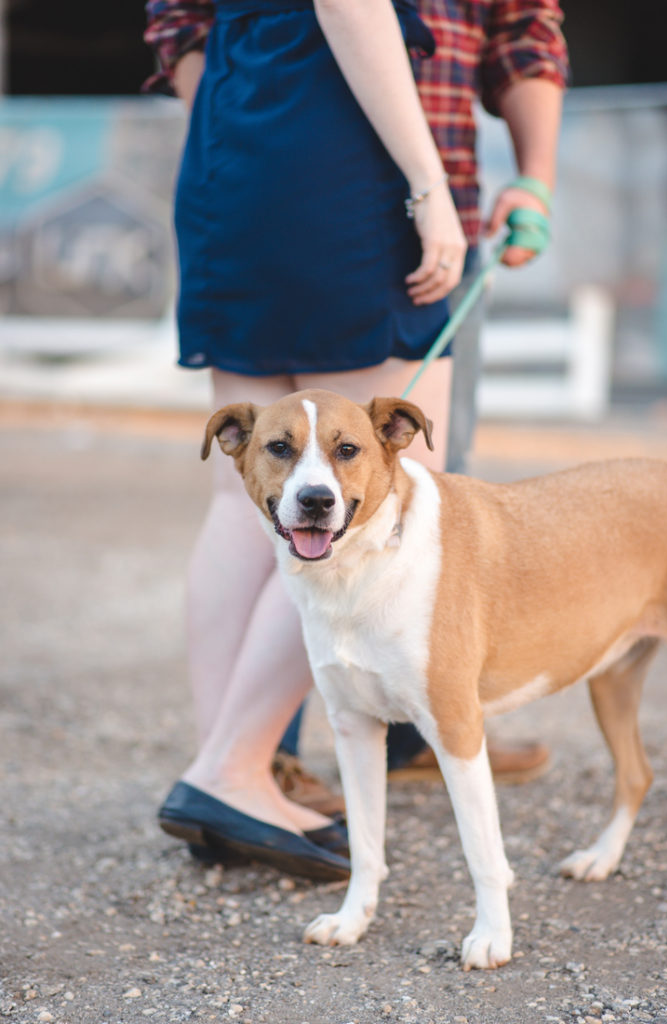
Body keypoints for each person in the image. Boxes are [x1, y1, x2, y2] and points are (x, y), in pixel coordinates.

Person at [143, 0, 568, 878]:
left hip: (236, 158)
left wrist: (250, 138)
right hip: (353, 167)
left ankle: (244, 764)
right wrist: (428, 182)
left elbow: (178, 25)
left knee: (243, 492)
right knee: (393, 484)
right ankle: (233, 767)